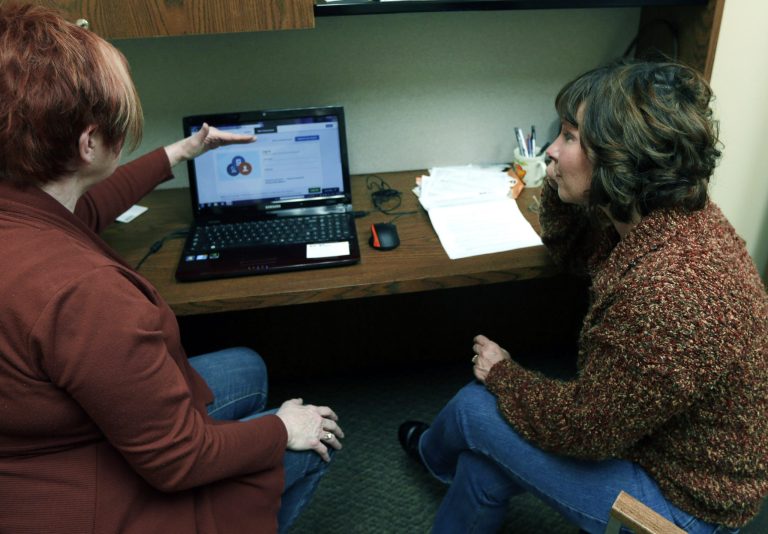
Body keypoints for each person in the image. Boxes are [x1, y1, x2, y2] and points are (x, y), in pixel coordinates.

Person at [0, 3, 343, 533]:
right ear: (89, 143)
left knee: (246, 365)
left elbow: (86, 205)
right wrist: (282, 428)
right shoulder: (86, 294)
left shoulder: (23, 209)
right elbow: (177, 459)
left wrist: (184, 151)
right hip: (92, 495)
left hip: (36, 441)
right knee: (313, 431)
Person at [399, 59, 768, 534]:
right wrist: (559, 178)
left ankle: (433, 455)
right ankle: (447, 465)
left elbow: (586, 430)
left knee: (476, 408)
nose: (551, 149)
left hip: (683, 509)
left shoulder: (669, 290)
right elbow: (574, 250)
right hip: (655, 443)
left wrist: (504, 376)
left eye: (570, 137)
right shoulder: (670, 218)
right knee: (483, 464)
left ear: (622, 159)